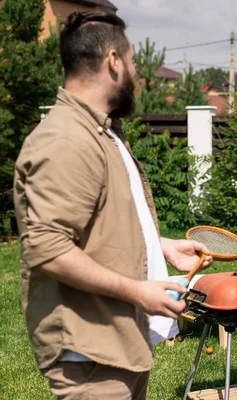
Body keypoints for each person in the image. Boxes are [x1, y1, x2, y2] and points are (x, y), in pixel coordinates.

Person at [13, 11, 212, 399]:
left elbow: (105, 219)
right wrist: (139, 292)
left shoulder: (101, 133)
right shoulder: (65, 141)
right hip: (89, 354)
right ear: (114, 61)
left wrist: (162, 246)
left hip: (121, 342)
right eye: (134, 61)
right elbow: (48, 249)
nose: (137, 72)